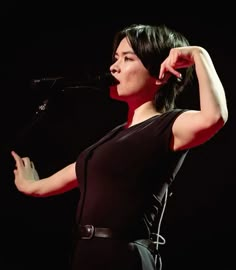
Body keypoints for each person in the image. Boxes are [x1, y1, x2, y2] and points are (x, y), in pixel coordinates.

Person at [10, 23, 228, 270]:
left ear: (161, 73)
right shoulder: (114, 136)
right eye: (115, 58)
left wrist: (199, 54)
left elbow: (215, 117)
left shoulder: (169, 125)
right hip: (86, 255)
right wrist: (32, 186)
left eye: (127, 58)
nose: (114, 67)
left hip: (123, 257)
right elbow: (79, 170)